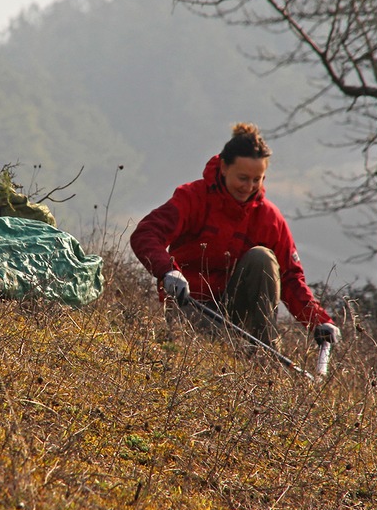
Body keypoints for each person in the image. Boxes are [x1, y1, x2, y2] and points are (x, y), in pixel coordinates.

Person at [129, 122, 340, 354]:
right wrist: (168, 270)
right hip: (191, 308)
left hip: (239, 318)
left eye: (257, 179)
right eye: (242, 177)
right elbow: (146, 234)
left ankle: (264, 353)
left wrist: (319, 321)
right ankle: (233, 351)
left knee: (262, 258)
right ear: (223, 167)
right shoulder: (193, 198)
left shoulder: (269, 218)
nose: (249, 186)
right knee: (209, 350)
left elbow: (290, 277)